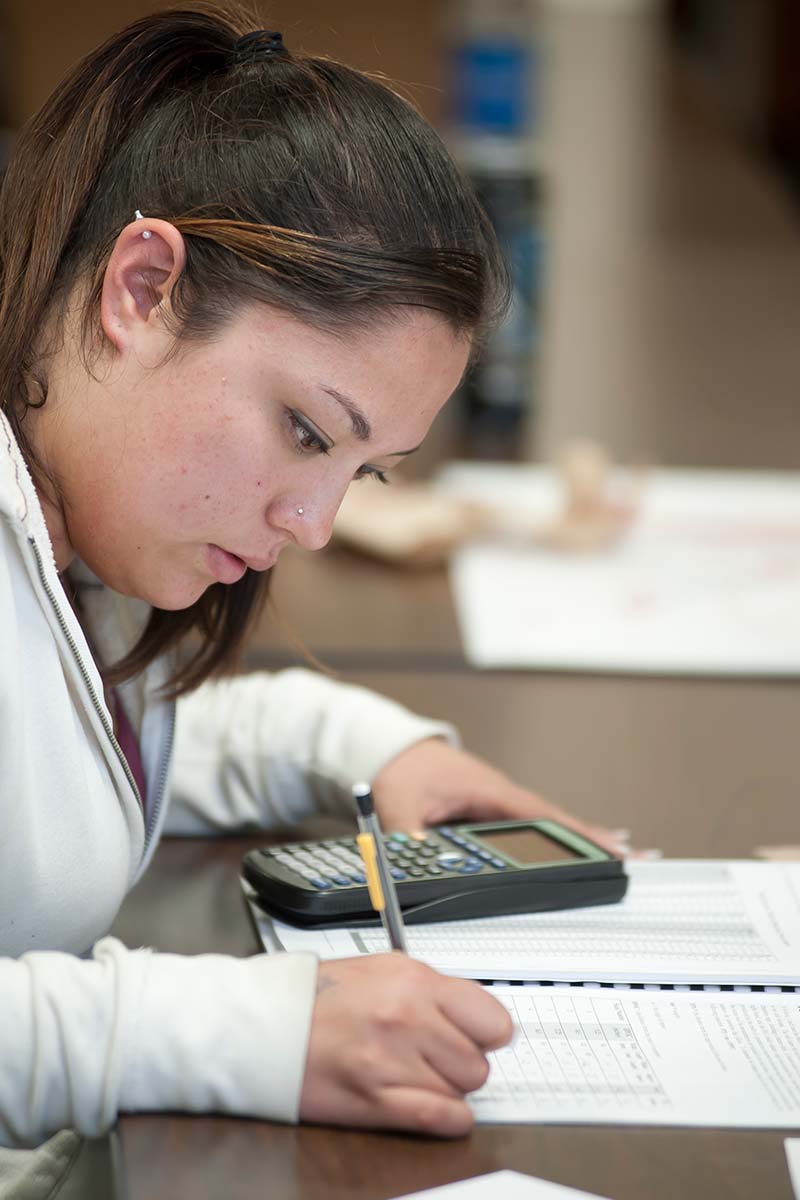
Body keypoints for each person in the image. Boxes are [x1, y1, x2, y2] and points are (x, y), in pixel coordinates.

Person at [0, 5, 625, 1170]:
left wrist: (364, 744)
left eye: (363, 468)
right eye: (301, 428)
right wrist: (244, 1033)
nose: (316, 523)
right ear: (142, 289)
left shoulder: (88, 534)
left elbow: (56, 751)